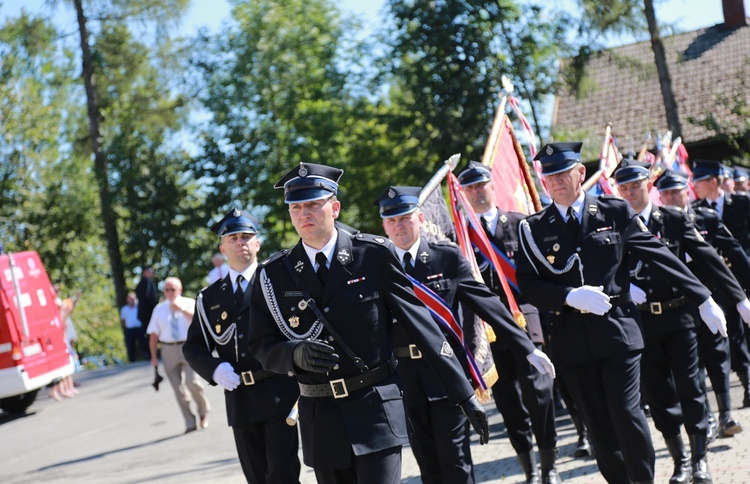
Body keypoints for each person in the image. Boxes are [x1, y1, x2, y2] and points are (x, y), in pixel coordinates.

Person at [247, 162, 489, 484]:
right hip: (321, 416)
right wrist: (292, 354)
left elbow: (424, 327)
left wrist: (463, 394)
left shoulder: (372, 255)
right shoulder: (275, 274)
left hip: (375, 409)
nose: (304, 214)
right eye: (296, 207)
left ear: (334, 207)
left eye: (313, 205)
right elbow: (260, 344)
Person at [514, 142, 727, 484]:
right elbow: (528, 285)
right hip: (572, 342)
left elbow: (659, 254)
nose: (555, 182)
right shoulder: (533, 229)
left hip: (618, 336)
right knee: (599, 426)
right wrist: (569, 296)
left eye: (562, 174)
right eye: (548, 176)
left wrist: (702, 297)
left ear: (580, 173)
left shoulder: (613, 211)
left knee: (627, 414)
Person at [374, 185, 556, 484]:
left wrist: (527, 348)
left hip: (448, 374)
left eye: (405, 218)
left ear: (419, 218)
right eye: (391, 221)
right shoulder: (379, 264)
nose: (399, 226)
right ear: (383, 224)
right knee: (428, 465)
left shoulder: (445, 257)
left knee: (455, 463)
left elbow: (487, 303)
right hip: (406, 379)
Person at [614, 160, 745, 482]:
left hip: (680, 316)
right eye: (624, 188)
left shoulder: (671, 219)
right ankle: (680, 459)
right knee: (659, 396)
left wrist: (740, 298)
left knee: (692, 387)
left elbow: (708, 258)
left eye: (636, 186)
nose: (630, 193)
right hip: (641, 323)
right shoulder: (612, 224)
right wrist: (622, 287)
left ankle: (700, 459)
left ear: (648, 185)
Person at [458, 162, 566, 480]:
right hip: (486, 332)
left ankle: (549, 465)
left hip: (524, 323)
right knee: (507, 403)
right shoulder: (460, 237)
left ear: (493, 186)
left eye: (482, 185)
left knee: (539, 396)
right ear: (463, 193)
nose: (477, 192)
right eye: (470, 188)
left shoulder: (521, 225)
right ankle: (530, 469)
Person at [184, 208, 301, 483]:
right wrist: (214, 370)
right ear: (222, 247)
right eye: (233, 238)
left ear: (257, 244)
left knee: (283, 473)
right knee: (256, 476)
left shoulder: (277, 284)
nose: (240, 243)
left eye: (247, 237)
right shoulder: (210, 297)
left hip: (278, 392)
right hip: (241, 399)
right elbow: (193, 347)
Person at [657, 170, 749, 434]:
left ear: (688, 191)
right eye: (666, 193)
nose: (672, 197)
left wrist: (743, 295)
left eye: (676, 192)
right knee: (690, 363)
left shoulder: (706, 217)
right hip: (679, 304)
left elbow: (733, 254)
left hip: (712, 298)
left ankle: (726, 414)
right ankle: (705, 417)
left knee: (718, 353)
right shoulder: (656, 224)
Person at [691, 159, 750, 407]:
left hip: (744, 276)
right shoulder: (696, 211)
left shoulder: (742, 203)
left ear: (713, 182)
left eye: (699, 182)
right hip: (718, 283)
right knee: (732, 334)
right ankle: (747, 383)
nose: (695, 187)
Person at [147, 277, 209, 434]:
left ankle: (203, 412)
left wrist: (180, 309)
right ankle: (189, 421)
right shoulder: (159, 309)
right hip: (168, 349)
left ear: (179, 290)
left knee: (192, 382)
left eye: (172, 289)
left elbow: (200, 322)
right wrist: (153, 357)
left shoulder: (189, 303)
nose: (169, 293)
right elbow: (153, 335)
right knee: (178, 389)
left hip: (189, 346)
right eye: (166, 290)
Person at [135, 265, 158, 357]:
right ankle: (150, 353)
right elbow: (150, 298)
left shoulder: (141, 283)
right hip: (148, 314)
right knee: (150, 333)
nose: (151, 273)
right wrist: (156, 310)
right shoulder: (147, 282)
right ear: (145, 272)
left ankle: (148, 352)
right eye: (150, 271)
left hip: (144, 314)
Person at [120, 292, 144, 363]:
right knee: (130, 345)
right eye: (130, 299)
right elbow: (123, 320)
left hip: (139, 328)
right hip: (130, 329)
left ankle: (146, 357)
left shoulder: (139, 307)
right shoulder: (124, 309)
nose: (132, 300)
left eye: (133, 298)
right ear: (127, 299)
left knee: (143, 343)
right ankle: (132, 360)